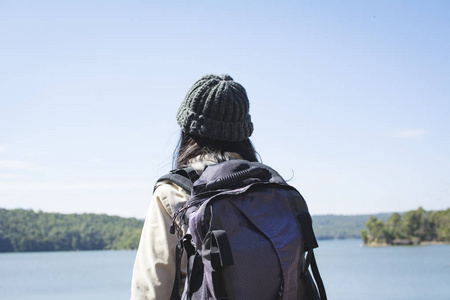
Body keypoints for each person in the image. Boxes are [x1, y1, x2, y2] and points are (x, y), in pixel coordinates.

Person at [130, 74, 259, 300]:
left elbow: (151, 289)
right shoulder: (265, 188)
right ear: (243, 134)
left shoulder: (173, 193)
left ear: (188, 131)